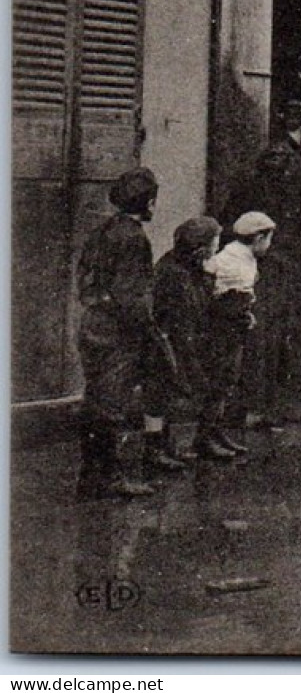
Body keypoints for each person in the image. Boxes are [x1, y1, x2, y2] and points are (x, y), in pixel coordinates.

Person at [221, 99, 301, 427]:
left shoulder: (283, 157)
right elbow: (283, 213)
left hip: (277, 253)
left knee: (275, 329)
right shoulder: (284, 161)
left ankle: (266, 405)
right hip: (277, 255)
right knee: (267, 330)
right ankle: (256, 407)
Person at [75, 168, 162, 498]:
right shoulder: (134, 238)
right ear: (147, 203)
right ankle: (105, 478)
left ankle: (93, 476)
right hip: (117, 333)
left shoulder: (104, 230)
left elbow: (86, 279)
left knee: (96, 396)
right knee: (110, 403)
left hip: (94, 324)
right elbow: (132, 296)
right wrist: (146, 329)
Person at [147, 215, 221, 472]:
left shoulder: (187, 266)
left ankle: (165, 447)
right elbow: (181, 314)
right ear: (201, 246)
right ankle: (155, 450)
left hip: (177, 338)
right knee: (159, 395)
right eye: (215, 241)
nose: (217, 246)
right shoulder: (175, 273)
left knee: (165, 394)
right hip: (166, 340)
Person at [200, 212, 275, 460]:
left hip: (229, 326)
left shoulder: (237, 254)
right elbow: (232, 300)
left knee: (225, 379)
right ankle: (206, 435)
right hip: (224, 330)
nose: (269, 245)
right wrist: (244, 315)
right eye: (268, 239)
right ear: (258, 238)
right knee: (220, 379)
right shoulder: (237, 264)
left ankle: (215, 431)